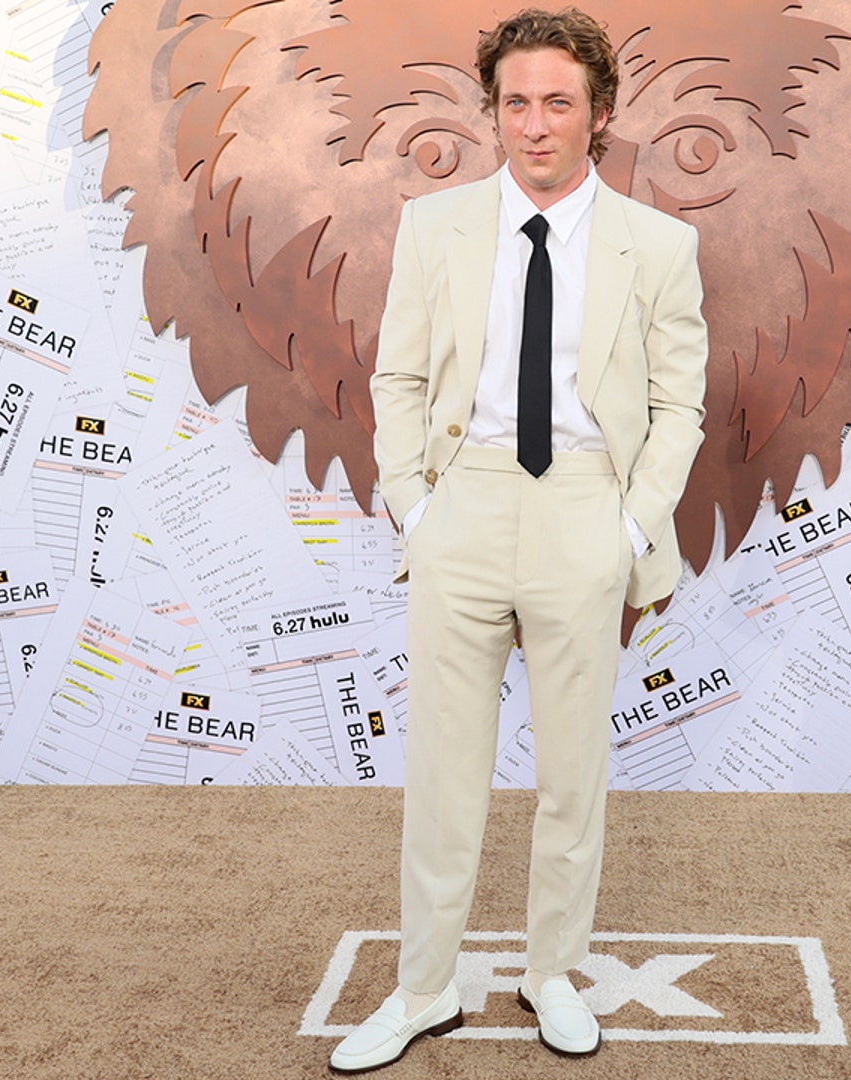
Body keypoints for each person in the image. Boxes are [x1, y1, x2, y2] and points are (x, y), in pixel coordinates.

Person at [330, 6, 708, 1073]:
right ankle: (421, 990)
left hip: (586, 505)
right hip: (466, 504)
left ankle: (551, 976)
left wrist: (630, 526)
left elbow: (681, 404)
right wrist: (415, 502)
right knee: (443, 770)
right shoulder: (434, 226)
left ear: (599, 115)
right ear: (493, 112)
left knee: (571, 774)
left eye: (559, 103)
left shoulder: (661, 244)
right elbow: (399, 375)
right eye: (516, 103)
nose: (535, 125)